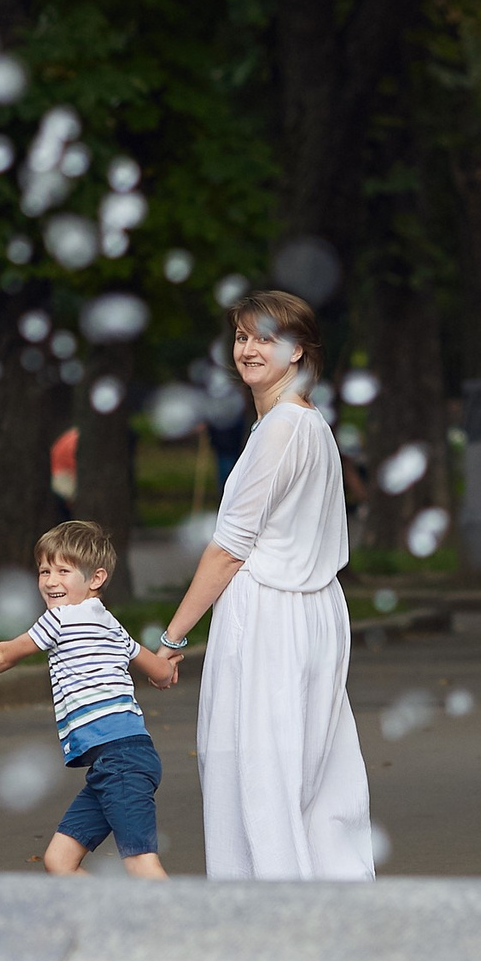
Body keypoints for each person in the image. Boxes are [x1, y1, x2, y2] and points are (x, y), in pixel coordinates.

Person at [154, 289, 376, 881]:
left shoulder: (281, 429)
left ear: (297, 350)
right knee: (314, 773)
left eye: (265, 339)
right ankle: (326, 896)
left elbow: (229, 550)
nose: (249, 350)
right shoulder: (310, 423)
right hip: (315, 613)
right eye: (242, 337)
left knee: (255, 771)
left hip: (271, 615)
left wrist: (172, 639)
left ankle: (267, 905)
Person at [0, 520, 179, 878]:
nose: (50, 581)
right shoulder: (110, 623)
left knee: (140, 861)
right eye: (44, 571)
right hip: (120, 759)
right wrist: (168, 666)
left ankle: (183, 914)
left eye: (63, 571)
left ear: (96, 578)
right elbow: (160, 671)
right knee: (59, 861)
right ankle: (114, 912)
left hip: (119, 760)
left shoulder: (61, 618)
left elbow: (3, 655)